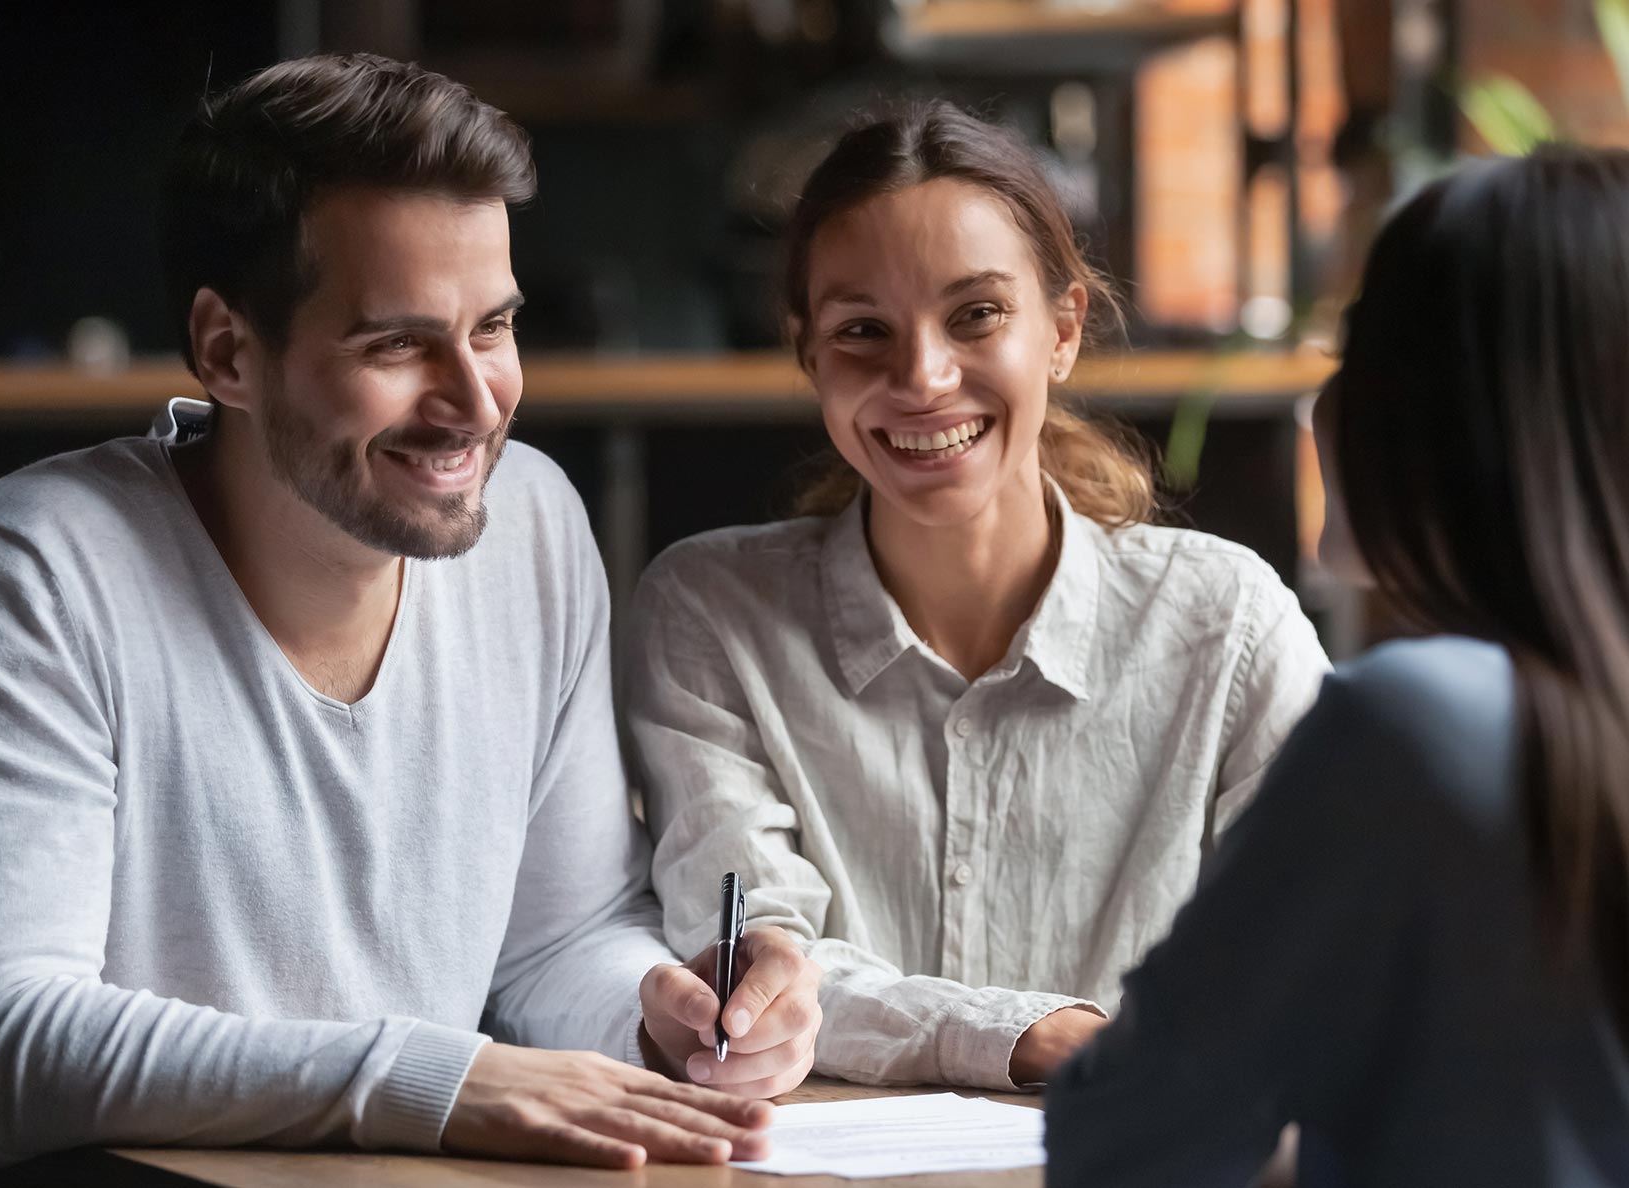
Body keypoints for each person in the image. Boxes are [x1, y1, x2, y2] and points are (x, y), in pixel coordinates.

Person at [0, 54, 821, 1187]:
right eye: (398, 344)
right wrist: (432, 1079)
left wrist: (658, 1016)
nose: (476, 404)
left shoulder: (533, 527)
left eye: (495, 329)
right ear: (227, 350)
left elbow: (558, 940)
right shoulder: (36, 573)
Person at [622, 99, 1329, 1091]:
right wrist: (1032, 1037)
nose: (922, 376)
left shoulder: (1228, 627)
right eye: (862, 329)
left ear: (1064, 330)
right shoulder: (710, 613)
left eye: (976, 314)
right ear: (809, 356)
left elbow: (1316, 960)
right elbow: (760, 977)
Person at [1045, 148, 1629, 1186]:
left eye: (1358, 352)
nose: (1324, 403)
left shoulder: (1415, 727)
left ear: (1453, 413)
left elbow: (1132, 1139)